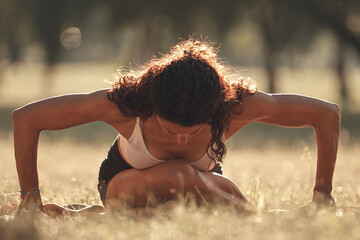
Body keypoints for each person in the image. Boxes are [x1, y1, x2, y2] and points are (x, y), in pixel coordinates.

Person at [13, 38, 340, 216]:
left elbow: (327, 114)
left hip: (203, 184)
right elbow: (27, 118)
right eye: (171, 131)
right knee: (179, 173)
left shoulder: (236, 106)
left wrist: (322, 195)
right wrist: (30, 198)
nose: (182, 138)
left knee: (184, 187)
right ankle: (253, 216)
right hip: (122, 183)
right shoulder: (126, 103)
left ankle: (88, 215)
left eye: (195, 131)